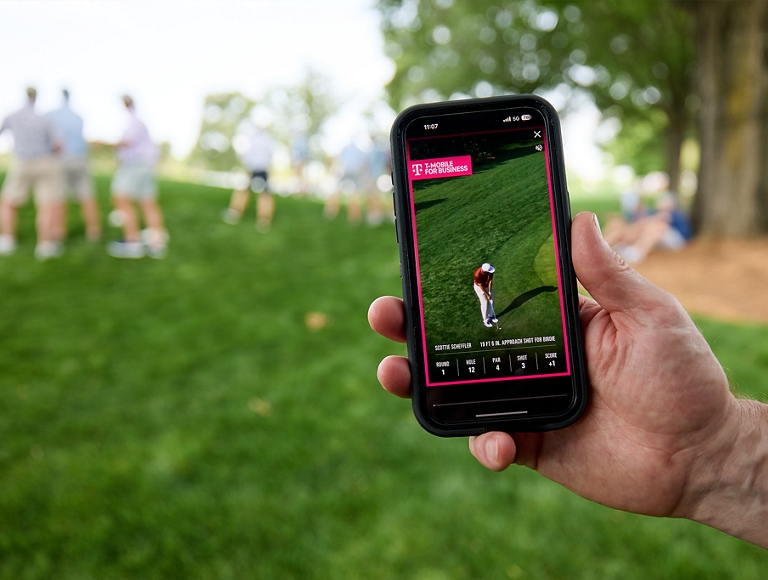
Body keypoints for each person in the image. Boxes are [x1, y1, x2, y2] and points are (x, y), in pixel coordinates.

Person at [369, 211, 768, 549]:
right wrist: (719, 450)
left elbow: (486, 281)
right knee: (484, 308)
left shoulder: (485, 270)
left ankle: (490, 318)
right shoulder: (480, 276)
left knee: (484, 310)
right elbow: (482, 285)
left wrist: (715, 447)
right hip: (482, 292)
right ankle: (490, 319)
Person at [0, 87, 64, 260]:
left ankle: (7, 239)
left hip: (22, 162)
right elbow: (58, 145)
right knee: (46, 204)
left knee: (8, 202)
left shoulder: (12, 116)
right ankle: (45, 245)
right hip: (46, 162)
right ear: (36, 97)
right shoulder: (46, 119)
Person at [108, 95, 166, 259]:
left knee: (121, 199)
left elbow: (128, 142)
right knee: (148, 203)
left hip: (136, 165)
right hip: (147, 166)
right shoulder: (138, 120)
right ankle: (157, 243)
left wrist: (102, 144)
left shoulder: (134, 122)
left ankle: (132, 242)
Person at [46, 89, 101, 242]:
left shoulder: (51, 115)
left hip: (62, 159)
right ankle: (94, 232)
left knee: (58, 197)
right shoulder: (78, 117)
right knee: (87, 195)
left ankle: (58, 233)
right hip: (80, 158)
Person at [222, 126, 275, 232]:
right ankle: (263, 220)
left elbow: (246, 155)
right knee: (263, 193)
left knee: (247, 191)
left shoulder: (253, 138)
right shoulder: (268, 139)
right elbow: (271, 154)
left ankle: (237, 213)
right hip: (262, 170)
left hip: (254, 170)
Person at [473, 262, 498, 327]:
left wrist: (489, 292)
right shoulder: (477, 274)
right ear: (485, 271)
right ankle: (485, 320)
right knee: (484, 303)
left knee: (491, 301)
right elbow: (481, 286)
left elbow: (490, 280)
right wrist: (487, 294)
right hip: (479, 287)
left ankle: (491, 316)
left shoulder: (490, 269)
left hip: (487, 285)